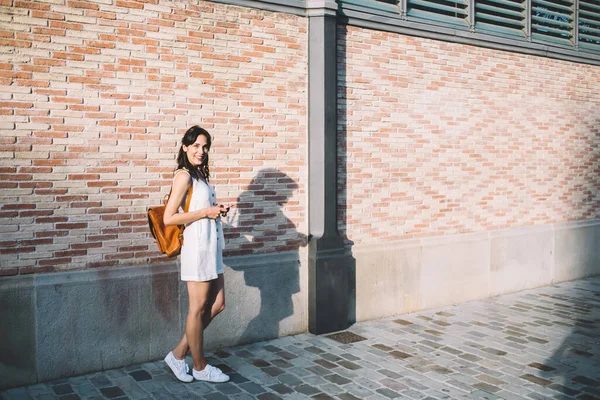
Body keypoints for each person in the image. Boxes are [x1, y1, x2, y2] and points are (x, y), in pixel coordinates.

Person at [162, 126, 231, 383]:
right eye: (196, 146)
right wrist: (205, 212)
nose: (201, 151)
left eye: (205, 147)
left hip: (211, 247)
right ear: (185, 147)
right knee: (197, 309)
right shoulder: (183, 176)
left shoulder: (199, 174)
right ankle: (200, 367)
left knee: (217, 304)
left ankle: (178, 354)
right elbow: (170, 217)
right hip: (198, 248)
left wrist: (216, 209)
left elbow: (201, 208)